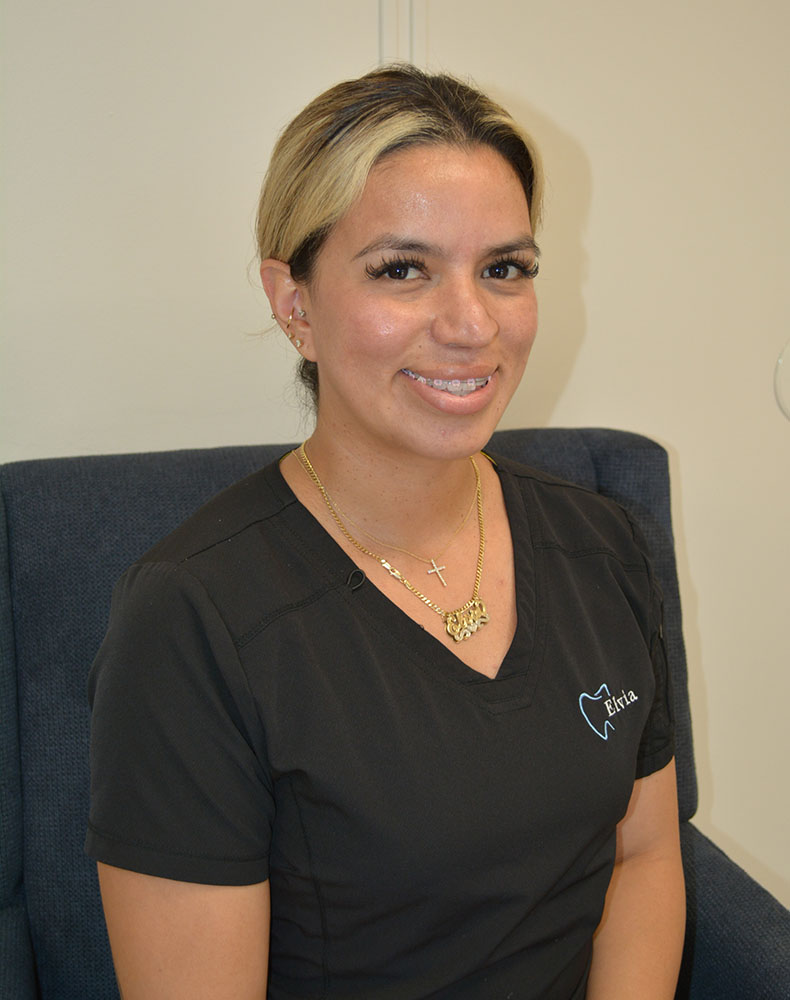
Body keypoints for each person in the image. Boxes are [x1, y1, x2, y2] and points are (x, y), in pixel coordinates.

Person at [86, 64, 685, 999]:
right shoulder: (194, 615)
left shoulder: (608, 545)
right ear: (294, 304)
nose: (470, 322)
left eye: (505, 269)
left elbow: (645, 856)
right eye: (402, 270)